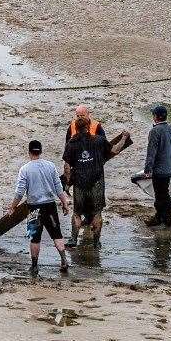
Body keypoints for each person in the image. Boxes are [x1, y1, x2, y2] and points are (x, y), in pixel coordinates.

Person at [12, 139, 71, 275]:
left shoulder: (25, 169)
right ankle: (64, 260)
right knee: (57, 234)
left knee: (34, 237)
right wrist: (65, 203)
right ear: (41, 151)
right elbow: (58, 187)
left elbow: (20, 192)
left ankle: (34, 266)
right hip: (50, 206)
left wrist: (12, 207)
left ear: (29, 152)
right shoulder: (50, 166)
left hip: (34, 208)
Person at [61, 106, 113, 248]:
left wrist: (67, 182)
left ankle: (74, 238)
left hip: (82, 179)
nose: (80, 117)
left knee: (78, 212)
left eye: (82, 115)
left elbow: (67, 162)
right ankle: (96, 242)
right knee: (95, 211)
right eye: (77, 115)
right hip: (94, 178)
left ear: (89, 115)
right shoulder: (96, 139)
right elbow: (110, 150)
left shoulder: (97, 128)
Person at [140, 105, 171, 229]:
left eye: (153, 115)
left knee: (160, 195)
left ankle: (163, 219)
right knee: (164, 193)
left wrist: (147, 170)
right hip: (168, 168)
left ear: (156, 117)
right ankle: (165, 219)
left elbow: (151, 152)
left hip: (159, 170)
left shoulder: (155, 131)